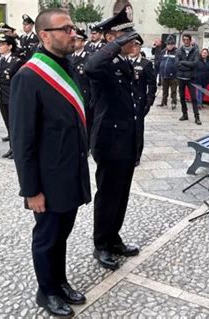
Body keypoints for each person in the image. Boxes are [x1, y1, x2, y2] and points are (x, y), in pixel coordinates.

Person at [10, 8, 91, 317]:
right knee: (47, 238)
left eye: (72, 28)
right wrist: (31, 191)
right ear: (45, 35)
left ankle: (59, 282)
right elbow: (22, 141)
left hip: (70, 172)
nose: (73, 33)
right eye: (65, 29)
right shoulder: (28, 77)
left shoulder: (68, 67)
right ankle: (46, 291)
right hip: (47, 180)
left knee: (62, 234)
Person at [85, 4, 141, 271]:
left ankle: (114, 237)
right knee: (108, 195)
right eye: (125, 35)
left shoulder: (121, 61)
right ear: (111, 38)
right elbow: (91, 67)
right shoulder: (102, 62)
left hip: (126, 143)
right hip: (109, 143)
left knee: (121, 194)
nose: (132, 40)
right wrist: (115, 43)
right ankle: (101, 244)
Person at [129, 35, 157, 165]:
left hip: (139, 101)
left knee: (137, 130)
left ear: (140, 47)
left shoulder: (145, 64)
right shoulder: (124, 61)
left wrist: (149, 102)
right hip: (125, 101)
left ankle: (136, 155)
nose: (133, 48)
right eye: (132, 45)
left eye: (136, 46)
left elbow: (152, 85)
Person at [0, 34, 23, 159]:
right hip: (2, 97)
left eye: (2, 45)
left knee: (14, 125)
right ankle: (12, 147)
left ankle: (16, 148)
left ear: (10, 46)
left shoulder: (15, 61)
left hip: (12, 98)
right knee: (8, 124)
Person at [68, 28, 93, 143]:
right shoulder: (69, 57)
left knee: (86, 122)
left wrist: (92, 99)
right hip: (71, 93)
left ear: (83, 42)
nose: (75, 42)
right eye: (73, 39)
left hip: (84, 95)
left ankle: (86, 143)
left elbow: (92, 81)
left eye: (78, 39)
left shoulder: (89, 58)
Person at [176, 33, 201, 125]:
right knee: (182, 97)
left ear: (190, 40)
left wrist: (183, 63)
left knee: (193, 98)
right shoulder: (179, 50)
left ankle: (196, 116)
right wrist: (187, 65)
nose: (186, 41)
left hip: (190, 78)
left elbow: (195, 63)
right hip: (180, 77)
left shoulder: (195, 51)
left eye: (187, 39)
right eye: (184, 40)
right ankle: (184, 114)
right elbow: (177, 63)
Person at [157, 35, 178, 109]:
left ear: (174, 45)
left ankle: (173, 103)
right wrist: (160, 75)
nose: (169, 46)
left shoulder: (177, 52)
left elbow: (178, 64)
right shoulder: (163, 51)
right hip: (164, 74)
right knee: (164, 90)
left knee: (173, 91)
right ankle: (164, 103)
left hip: (174, 76)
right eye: (168, 44)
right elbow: (160, 62)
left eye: (171, 44)